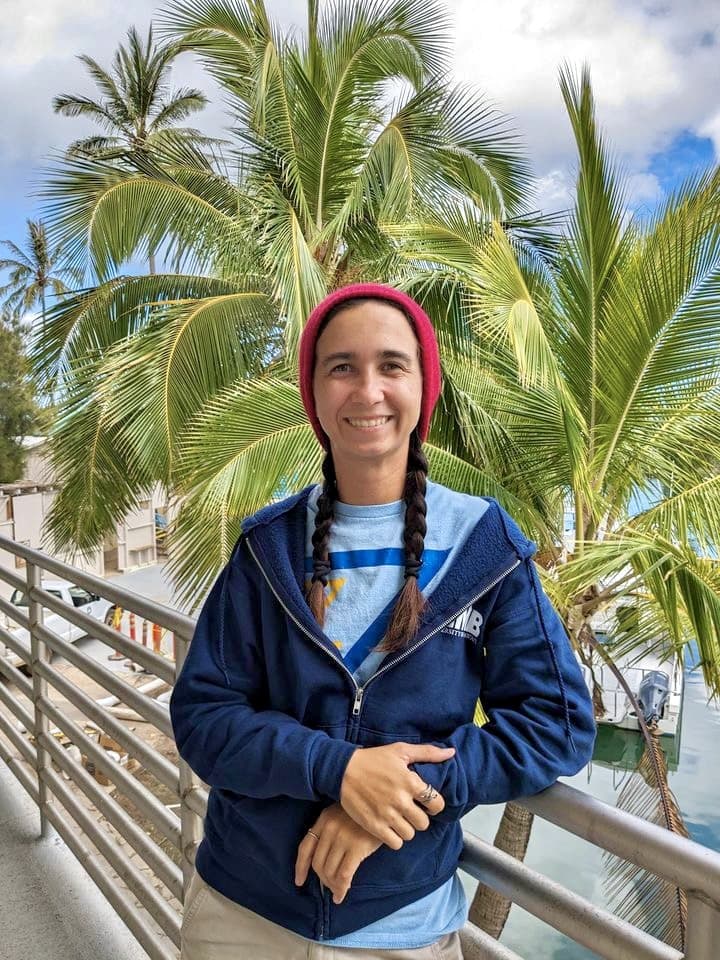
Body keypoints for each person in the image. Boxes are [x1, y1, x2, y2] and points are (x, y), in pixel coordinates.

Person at [170, 282, 596, 959]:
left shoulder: (484, 547)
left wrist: (397, 796)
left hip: (405, 928)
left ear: (424, 389)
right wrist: (337, 770)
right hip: (241, 917)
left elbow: (558, 724)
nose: (367, 390)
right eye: (342, 366)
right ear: (315, 394)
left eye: (391, 365)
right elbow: (203, 716)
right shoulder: (268, 548)